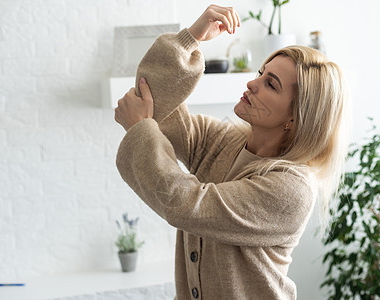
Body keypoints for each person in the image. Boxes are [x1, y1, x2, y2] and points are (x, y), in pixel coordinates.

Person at [114, 4, 349, 299]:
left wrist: (141, 129)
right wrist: (191, 38)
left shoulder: (292, 188)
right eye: (261, 73)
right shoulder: (223, 141)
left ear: (295, 118)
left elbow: (185, 204)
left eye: (270, 84)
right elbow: (155, 100)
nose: (252, 83)